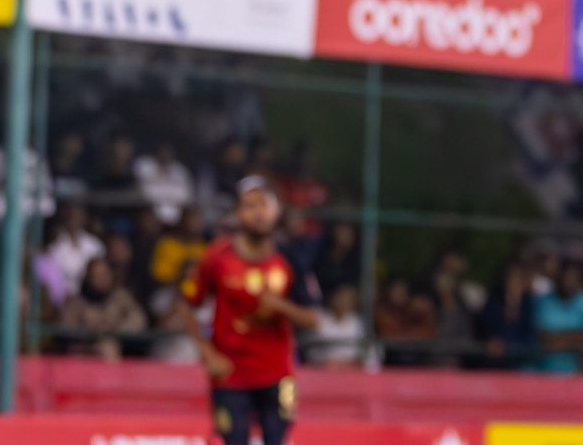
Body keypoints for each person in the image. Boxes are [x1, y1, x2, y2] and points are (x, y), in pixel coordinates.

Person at [179, 177, 320, 445]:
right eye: (250, 205)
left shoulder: (290, 259)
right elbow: (186, 304)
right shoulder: (217, 256)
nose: (259, 213)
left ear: (277, 211)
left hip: (279, 374)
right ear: (238, 213)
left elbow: (313, 320)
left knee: (279, 439)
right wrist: (207, 354)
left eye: (265, 205)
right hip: (229, 374)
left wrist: (280, 306)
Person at [59, 256, 147, 359]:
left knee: (108, 347)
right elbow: (66, 329)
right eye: (97, 276)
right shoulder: (77, 302)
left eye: (105, 274)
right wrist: (91, 335)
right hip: (85, 352)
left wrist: (113, 332)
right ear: (88, 279)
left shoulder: (121, 296)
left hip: (119, 350)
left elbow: (139, 319)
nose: (103, 279)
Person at [534, 262, 583, 375]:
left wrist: (559, 340)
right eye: (566, 277)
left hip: (576, 371)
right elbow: (544, 340)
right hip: (544, 371)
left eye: (573, 278)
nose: (568, 282)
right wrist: (576, 337)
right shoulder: (544, 302)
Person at [134, 141, 195, 225]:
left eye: (168, 151)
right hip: (151, 211)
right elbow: (145, 192)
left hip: (176, 216)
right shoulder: (145, 165)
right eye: (163, 150)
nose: (165, 154)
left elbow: (186, 196)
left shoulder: (179, 170)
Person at [306, 283, 364, 369]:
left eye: (348, 299)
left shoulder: (358, 322)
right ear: (333, 297)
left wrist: (347, 364)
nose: (343, 301)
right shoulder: (319, 318)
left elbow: (367, 354)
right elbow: (310, 349)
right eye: (340, 297)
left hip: (351, 370)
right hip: (322, 370)